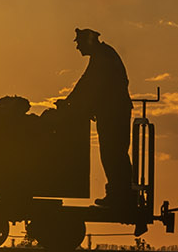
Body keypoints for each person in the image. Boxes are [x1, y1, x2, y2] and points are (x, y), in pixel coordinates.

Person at [57, 27, 138, 208]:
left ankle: (122, 196)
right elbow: (87, 83)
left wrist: (73, 104)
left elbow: (92, 85)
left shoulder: (103, 57)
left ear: (88, 42)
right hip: (112, 113)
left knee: (113, 154)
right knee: (113, 154)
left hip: (114, 114)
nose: (77, 48)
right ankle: (121, 194)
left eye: (79, 44)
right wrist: (70, 102)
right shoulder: (102, 56)